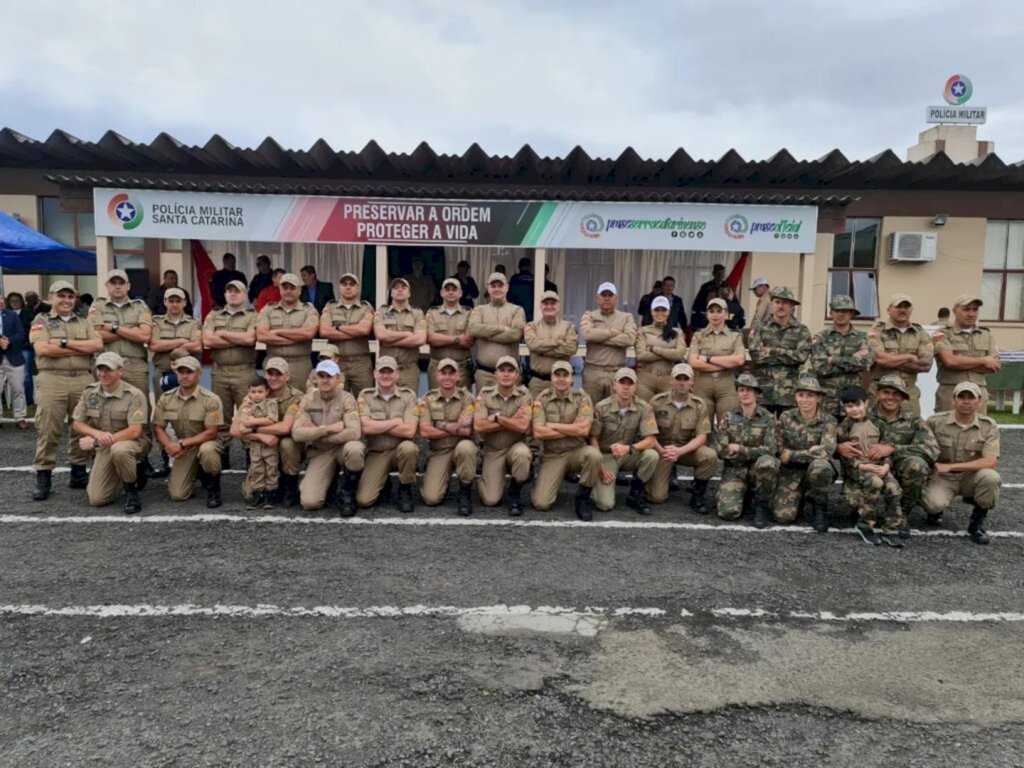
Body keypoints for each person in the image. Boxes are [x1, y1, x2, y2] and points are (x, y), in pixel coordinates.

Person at [30, 280, 104, 501]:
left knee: (82, 426)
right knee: (48, 428)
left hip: (83, 378)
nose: (66, 300)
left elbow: (98, 345)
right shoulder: (41, 321)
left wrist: (62, 343)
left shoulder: (84, 321)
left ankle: (78, 471)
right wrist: (79, 348)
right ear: (51, 297)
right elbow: (42, 349)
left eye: (70, 296)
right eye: (61, 296)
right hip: (53, 379)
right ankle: (44, 475)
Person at [89, 269, 155, 476]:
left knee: (140, 412)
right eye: (113, 283)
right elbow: (95, 335)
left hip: (134, 366)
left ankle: (142, 459)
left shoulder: (140, 306)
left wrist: (114, 328)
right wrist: (129, 331)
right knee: (102, 412)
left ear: (128, 286)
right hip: (106, 367)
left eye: (121, 283)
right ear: (107, 286)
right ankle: (103, 456)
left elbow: (144, 335)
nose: (117, 286)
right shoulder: (98, 306)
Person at [856, 374, 939, 533]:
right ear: (878, 394)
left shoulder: (914, 420)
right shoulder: (863, 417)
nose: (890, 397)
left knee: (917, 465)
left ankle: (902, 514)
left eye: (896, 394)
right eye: (886, 392)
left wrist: (893, 449)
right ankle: (864, 512)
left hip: (901, 468)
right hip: (872, 468)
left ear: (903, 397)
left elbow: (931, 450)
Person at [923, 381, 1001, 545]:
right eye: (962, 397)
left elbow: (990, 461)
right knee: (933, 504)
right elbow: (922, 449)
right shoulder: (935, 422)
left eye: (971, 398)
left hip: (970, 477)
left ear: (979, 401)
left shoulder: (988, 426)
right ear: (953, 400)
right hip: (943, 477)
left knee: (991, 477)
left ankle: (976, 523)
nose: (966, 401)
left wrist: (951, 466)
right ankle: (935, 512)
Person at [70, 352, 148, 513]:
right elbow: (77, 424)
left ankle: (131, 490)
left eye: (108, 370)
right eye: (100, 369)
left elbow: (135, 431)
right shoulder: (89, 392)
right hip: (107, 443)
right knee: (97, 499)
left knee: (120, 450)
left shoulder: (134, 395)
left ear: (120, 371)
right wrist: (96, 434)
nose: (103, 374)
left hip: (132, 442)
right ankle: (126, 470)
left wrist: (97, 442)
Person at [530, 360, 602, 520]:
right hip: (553, 454)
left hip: (577, 451)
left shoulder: (582, 398)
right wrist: (571, 429)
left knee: (594, 455)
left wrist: (552, 425)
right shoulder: (542, 399)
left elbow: (584, 430)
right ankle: (549, 478)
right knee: (541, 504)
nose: (561, 379)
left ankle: (583, 497)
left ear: (572, 378)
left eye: (565, 375)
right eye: (557, 375)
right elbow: (538, 432)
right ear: (551, 378)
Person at [291, 360, 365, 515]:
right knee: (310, 502)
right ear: (315, 379)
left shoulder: (347, 399)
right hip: (320, 452)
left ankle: (347, 494)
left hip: (341, 449)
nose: (324, 380)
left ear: (338, 378)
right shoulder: (307, 400)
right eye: (321, 376)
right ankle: (329, 480)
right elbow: (297, 433)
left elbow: (354, 433)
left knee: (355, 448)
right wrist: (327, 430)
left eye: (329, 376)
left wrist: (316, 435)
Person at [152, 355, 225, 508]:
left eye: (189, 372)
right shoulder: (166, 398)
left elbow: (211, 432)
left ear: (199, 374)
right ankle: (195, 471)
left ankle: (213, 489)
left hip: (206, 442)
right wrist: (170, 447)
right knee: (177, 495)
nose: (184, 376)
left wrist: (181, 443)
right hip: (183, 448)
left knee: (207, 451)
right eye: (181, 372)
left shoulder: (211, 399)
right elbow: (158, 428)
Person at [231, 357, 305, 507]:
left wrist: (254, 428)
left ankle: (289, 486)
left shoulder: (297, 397)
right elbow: (234, 430)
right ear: (265, 375)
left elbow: (285, 428)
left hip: (285, 448)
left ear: (287, 376)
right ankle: (264, 486)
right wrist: (259, 435)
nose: (274, 378)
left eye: (278, 374)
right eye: (270, 374)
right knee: (249, 495)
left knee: (287, 443)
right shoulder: (255, 395)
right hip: (261, 447)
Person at [835, 386, 903, 546]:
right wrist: (863, 466)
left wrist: (886, 466)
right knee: (875, 483)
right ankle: (865, 525)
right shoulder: (843, 427)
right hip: (858, 469)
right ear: (844, 407)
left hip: (880, 466)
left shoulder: (879, 423)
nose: (854, 409)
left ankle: (891, 529)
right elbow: (845, 457)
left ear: (866, 403)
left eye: (857, 404)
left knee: (894, 488)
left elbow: (887, 448)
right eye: (849, 406)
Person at [202, 280, 258, 466]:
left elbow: (250, 338)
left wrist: (223, 333)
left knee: (249, 416)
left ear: (245, 295)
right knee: (221, 417)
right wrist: (237, 339)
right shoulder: (214, 315)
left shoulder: (252, 316)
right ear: (225, 295)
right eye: (230, 291)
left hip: (244, 372)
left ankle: (251, 459)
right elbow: (207, 339)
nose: (233, 294)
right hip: (220, 373)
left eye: (237, 291)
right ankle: (222, 460)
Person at [589, 367, 659, 515]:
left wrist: (628, 449)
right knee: (604, 504)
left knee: (652, 455)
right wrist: (600, 468)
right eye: (622, 382)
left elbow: (651, 440)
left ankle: (635, 494)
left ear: (635, 386)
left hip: (629, 453)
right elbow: (592, 439)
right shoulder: (601, 407)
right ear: (614, 385)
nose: (626, 387)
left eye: (630, 383)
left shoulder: (644, 408)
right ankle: (594, 485)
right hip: (606, 455)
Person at [648, 363, 716, 513]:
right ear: (671, 380)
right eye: (678, 378)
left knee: (709, 455)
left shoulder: (699, 405)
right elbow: (649, 433)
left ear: (692, 381)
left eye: (686, 378)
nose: (682, 382)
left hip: (686, 450)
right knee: (657, 497)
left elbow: (702, 437)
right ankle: (660, 477)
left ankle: (698, 496)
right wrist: (663, 452)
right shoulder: (656, 402)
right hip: (662, 451)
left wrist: (679, 451)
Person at [148, 286, 202, 476]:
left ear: (184, 303)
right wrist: (181, 341)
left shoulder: (193, 323)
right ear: (164, 303)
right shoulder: (156, 322)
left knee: (187, 415)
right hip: (162, 374)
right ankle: (167, 459)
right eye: (170, 300)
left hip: (186, 375)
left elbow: (197, 346)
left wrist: (168, 343)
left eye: (178, 300)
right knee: (163, 417)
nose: (174, 304)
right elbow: (154, 344)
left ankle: (189, 456)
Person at [772, 375, 837, 532]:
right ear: (795, 397)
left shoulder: (829, 421)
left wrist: (793, 455)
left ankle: (819, 507)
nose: (805, 400)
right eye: (801, 395)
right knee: (783, 516)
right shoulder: (786, 417)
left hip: (815, 470)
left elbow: (826, 451)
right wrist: (809, 452)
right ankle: (800, 497)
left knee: (821, 466)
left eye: (810, 395)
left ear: (818, 398)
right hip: (791, 473)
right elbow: (779, 448)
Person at [712, 373, 779, 523]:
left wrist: (739, 449)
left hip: (758, 471)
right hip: (735, 470)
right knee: (728, 513)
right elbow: (721, 450)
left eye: (749, 390)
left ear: (756, 393)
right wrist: (753, 451)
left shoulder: (768, 418)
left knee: (767, 463)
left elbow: (770, 450)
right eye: (742, 390)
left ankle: (760, 504)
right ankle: (744, 493)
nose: (745, 393)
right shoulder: (728, 417)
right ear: (737, 393)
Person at [356, 356, 420, 512]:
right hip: (377, 453)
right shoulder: (365, 396)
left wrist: (377, 425)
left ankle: (405, 489)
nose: (385, 376)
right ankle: (383, 481)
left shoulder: (409, 396)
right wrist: (394, 422)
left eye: (389, 372)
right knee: (364, 500)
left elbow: (409, 431)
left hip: (400, 451)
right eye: (382, 372)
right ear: (375, 374)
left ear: (397, 374)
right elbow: (366, 428)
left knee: (409, 448)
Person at [418, 357, 478, 515]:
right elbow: (425, 431)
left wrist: (441, 424)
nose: (447, 377)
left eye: (452, 373)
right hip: (439, 451)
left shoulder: (468, 398)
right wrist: (454, 426)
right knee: (431, 499)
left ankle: (464, 492)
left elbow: (467, 431)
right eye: (443, 373)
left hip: (460, 447)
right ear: (437, 376)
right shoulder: (427, 399)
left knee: (467, 448)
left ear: (458, 376)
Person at [473, 356, 532, 515]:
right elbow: (479, 426)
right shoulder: (484, 395)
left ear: (517, 375)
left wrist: (498, 418)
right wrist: (512, 419)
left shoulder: (525, 395)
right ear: (495, 374)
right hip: (493, 450)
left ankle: (515, 492)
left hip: (515, 447)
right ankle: (485, 479)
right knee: (490, 500)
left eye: (510, 371)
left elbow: (523, 426)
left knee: (523, 453)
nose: (506, 374)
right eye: (502, 370)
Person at [804, 295, 873, 420]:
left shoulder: (862, 338)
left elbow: (865, 362)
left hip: (853, 402)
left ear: (851, 313)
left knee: (854, 436)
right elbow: (821, 367)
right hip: (827, 400)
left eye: (845, 311)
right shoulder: (821, 337)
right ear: (831, 313)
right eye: (837, 310)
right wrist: (852, 361)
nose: (841, 314)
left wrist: (834, 360)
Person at [867, 293, 934, 417]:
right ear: (889, 310)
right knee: (876, 431)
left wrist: (891, 360)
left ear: (911, 310)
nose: (902, 310)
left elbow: (926, 363)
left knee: (910, 430)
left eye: (906, 307)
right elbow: (880, 360)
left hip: (908, 393)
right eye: (898, 307)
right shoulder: (877, 331)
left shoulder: (920, 333)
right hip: (881, 391)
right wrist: (909, 357)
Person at [747, 286, 812, 416]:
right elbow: (756, 355)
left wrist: (772, 351)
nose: (781, 306)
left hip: (790, 392)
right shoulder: (759, 328)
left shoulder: (802, 330)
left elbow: (801, 356)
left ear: (792, 306)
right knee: (762, 431)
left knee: (788, 432)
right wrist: (788, 355)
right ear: (771, 304)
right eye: (777, 302)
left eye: (785, 302)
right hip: (763, 390)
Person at [932, 293, 1000, 413]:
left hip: (978, 393)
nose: (971, 314)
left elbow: (994, 366)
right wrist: (984, 360)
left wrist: (961, 361)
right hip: (950, 392)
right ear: (955, 310)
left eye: (975, 309)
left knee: (978, 430)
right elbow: (950, 361)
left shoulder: (986, 335)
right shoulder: (942, 334)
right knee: (946, 429)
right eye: (966, 309)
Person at [257, 272, 319, 387]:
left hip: (299, 366)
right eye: (285, 287)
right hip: (273, 364)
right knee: (272, 401)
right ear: (280, 289)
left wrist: (277, 332)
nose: (288, 291)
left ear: (299, 290)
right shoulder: (268, 309)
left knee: (300, 401)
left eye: (292, 288)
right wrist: (296, 338)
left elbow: (308, 333)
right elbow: (261, 335)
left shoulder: (309, 310)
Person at [689, 297, 745, 423]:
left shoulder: (735, 335)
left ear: (725, 314)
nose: (715, 315)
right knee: (702, 427)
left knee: (728, 425)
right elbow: (693, 362)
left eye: (719, 311)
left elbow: (739, 360)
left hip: (726, 385)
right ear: (707, 314)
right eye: (711, 311)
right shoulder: (698, 336)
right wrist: (725, 363)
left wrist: (709, 359)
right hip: (703, 384)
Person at [467, 272, 526, 392]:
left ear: (507, 287)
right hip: (484, 374)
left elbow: (515, 335)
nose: (497, 289)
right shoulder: (479, 310)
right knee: (482, 409)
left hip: (509, 374)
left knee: (511, 409)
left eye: (500, 285)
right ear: (488, 288)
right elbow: (473, 330)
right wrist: (501, 328)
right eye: (493, 286)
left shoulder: (517, 310)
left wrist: (485, 334)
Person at [580, 282, 637, 407]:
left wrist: (599, 337)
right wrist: (614, 332)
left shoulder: (627, 317)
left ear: (616, 298)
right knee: (589, 411)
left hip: (616, 373)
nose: (607, 298)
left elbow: (629, 340)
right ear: (598, 298)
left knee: (615, 412)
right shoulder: (589, 315)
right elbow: (587, 334)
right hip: (593, 372)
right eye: (603, 295)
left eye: (610, 295)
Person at [319, 272, 375, 395]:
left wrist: (338, 328)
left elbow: (364, 330)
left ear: (358, 288)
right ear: (339, 287)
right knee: (337, 403)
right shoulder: (330, 307)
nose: (348, 287)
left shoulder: (366, 307)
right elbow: (324, 331)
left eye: (352, 284)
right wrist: (354, 331)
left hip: (361, 363)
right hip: (337, 362)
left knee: (365, 401)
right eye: (344, 284)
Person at [374, 277, 427, 392]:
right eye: (396, 287)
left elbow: (420, 339)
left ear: (409, 293)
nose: (399, 290)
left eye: (403, 287)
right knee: (385, 405)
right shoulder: (382, 312)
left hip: (409, 370)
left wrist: (390, 342)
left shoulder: (417, 313)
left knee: (409, 407)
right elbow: (381, 335)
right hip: (386, 370)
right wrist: (407, 334)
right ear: (391, 293)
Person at [523, 291, 578, 398]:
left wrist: (542, 351)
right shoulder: (531, 326)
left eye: (553, 303)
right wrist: (556, 342)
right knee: (536, 413)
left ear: (558, 306)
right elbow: (533, 345)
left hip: (561, 382)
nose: (549, 306)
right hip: (538, 382)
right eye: (546, 303)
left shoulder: (569, 326)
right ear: (540, 306)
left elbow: (570, 349)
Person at [238, 374, 280, 510]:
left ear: (267, 391)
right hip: (255, 445)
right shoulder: (247, 405)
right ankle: (258, 495)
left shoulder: (271, 403)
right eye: (253, 392)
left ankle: (271, 496)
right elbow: (242, 426)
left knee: (271, 468)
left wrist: (253, 423)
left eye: (260, 392)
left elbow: (272, 419)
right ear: (248, 392)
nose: (257, 395)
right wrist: (250, 425)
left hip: (269, 445)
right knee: (257, 468)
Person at [635, 296, 687, 402]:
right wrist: (669, 353)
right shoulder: (643, 331)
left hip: (668, 378)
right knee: (643, 412)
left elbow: (679, 355)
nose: (660, 313)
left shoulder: (677, 332)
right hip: (646, 377)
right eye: (656, 310)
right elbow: (640, 355)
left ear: (669, 311)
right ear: (651, 311)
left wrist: (654, 349)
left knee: (666, 415)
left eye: (663, 310)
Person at [425, 278, 473, 388]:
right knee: (436, 402)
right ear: (442, 293)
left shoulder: (469, 313)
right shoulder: (432, 313)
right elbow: (430, 338)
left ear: (460, 293)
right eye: (447, 289)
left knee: (463, 402)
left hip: (461, 367)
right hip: (437, 367)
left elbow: (468, 340)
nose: (451, 292)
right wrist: (457, 339)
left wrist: (441, 340)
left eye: (454, 289)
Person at [0, 291, 28, 428]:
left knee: (18, 389)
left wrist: (8, 341)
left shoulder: (12, 315)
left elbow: (21, 333)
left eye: (1, 299)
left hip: (14, 357)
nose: (0, 302)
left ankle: (20, 417)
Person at [7, 292, 35, 406]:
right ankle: (11, 401)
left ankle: (28, 401)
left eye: (17, 300)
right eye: (12, 301)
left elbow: (29, 330)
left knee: (26, 375)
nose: (15, 303)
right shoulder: (5, 314)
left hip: (25, 347)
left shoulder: (27, 313)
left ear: (21, 301)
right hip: (8, 348)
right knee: (9, 375)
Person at [691, 264, 727, 332]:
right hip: (707, 320)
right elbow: (697, 305)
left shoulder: (727, 287)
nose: (720, 275)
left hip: (722, 320)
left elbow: (733, 305)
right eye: (718, 273)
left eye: (722, 273)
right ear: (713, 273)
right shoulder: (706, 287)